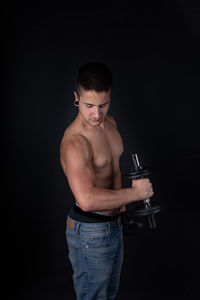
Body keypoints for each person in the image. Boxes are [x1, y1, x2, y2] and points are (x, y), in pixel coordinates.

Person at [60, 62, 154, 300]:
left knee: (108, 295)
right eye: (89, 105)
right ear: (76, 98)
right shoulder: (75, 142)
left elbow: (114, 171)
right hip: (90, 232)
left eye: (103, 105)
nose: (96, 114)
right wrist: (136, 194)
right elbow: (87, 199)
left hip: (113, 225)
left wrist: (122, 211)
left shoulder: (110, 123)